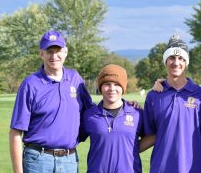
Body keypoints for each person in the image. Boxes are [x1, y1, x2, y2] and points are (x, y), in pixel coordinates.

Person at [9, 30, 95, 173]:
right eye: (49, 51)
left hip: (69, 160)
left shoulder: (75, 79)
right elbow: (15, 132)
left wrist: (123, 105)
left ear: (65, 52)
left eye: (58, 51)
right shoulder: (30, 84)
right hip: (38, 161)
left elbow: (93, 113)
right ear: (41, 54)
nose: (54, 56)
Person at [143, 35, 201, 173]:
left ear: (186, 62)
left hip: (193, 169)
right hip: (160, 168)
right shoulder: (153, 96)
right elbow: (149, 135)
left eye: (181, 59)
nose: (176, 62)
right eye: (171, 58)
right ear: (165, 61)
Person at [79, 64, 144, 173]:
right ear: (100, 87)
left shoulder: (136, 113)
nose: (112, 89)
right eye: (107, 84)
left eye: (117, 85)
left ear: (123, 88)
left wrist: (132, 148)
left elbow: (152, 137)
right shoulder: (89, 115)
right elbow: (73, 138)